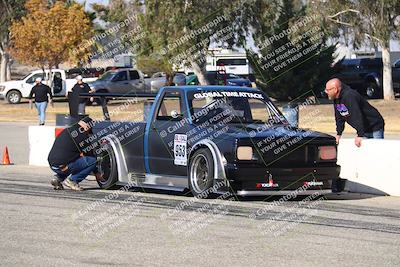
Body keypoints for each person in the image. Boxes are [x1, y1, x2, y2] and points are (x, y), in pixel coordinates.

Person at [325, 78, 385, 147]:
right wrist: (339, 134)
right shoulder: (337, 99)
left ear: (335, 89)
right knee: (366, 152)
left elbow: (356, 115)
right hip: (364, 128)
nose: (326, 92)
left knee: (376, 149)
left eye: (328, 90)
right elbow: (340, 117)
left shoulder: (349, 96)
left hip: (374, 125)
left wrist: (360, 135)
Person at [48, 117, 103, 191]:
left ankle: (57, 178)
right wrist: (96, 173)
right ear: (87, 127)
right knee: (92, 161)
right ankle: (73, 180)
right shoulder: (83, 136)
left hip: (53, 164)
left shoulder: (67, 130)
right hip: (63, 166)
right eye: (90, 130)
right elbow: (89, 155)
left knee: (73, 161)